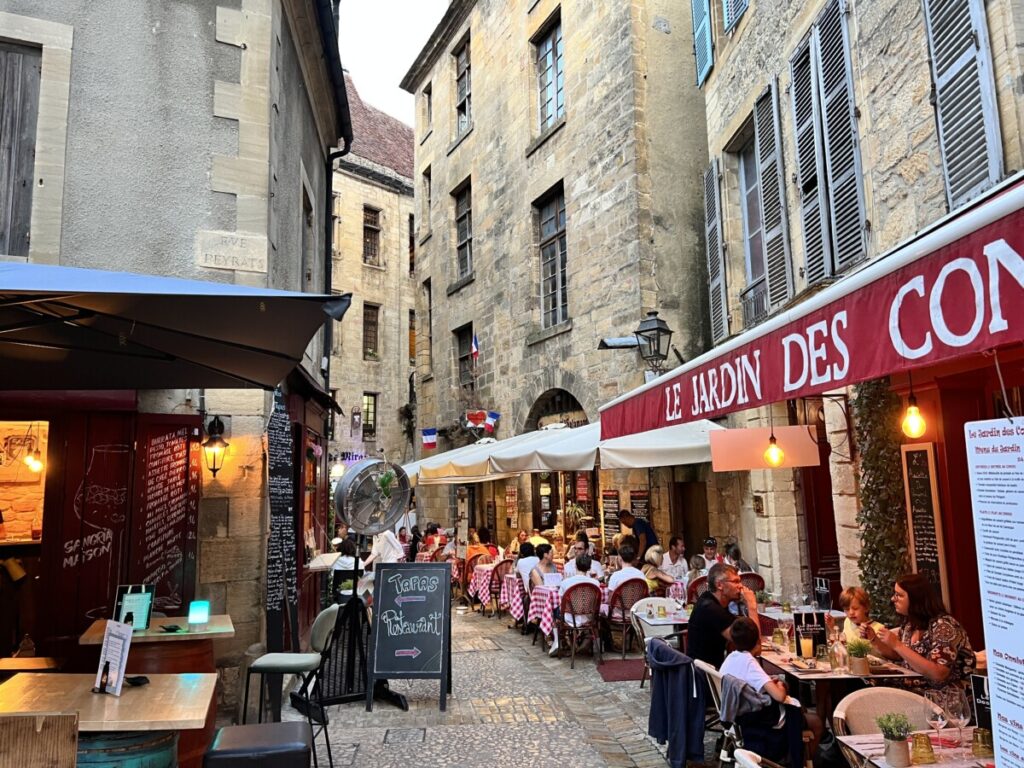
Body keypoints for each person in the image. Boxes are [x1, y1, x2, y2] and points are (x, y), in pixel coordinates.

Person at [720, 617, 823, 761]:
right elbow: (779, 696)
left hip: (740, 718)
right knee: (816, 722)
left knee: (804, 712)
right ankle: (799, 761)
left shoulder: (730, 658)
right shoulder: (750, 663)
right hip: (760, 720)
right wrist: (780, 685)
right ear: (758, 642)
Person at [862, 573, 976, 692]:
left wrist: (897, 644)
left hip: (942, 698)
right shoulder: (910, 623)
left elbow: (938, 673)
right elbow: (901, 656)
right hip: (910, 692)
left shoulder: (944, 627)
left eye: (899, 595)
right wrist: (874, 639)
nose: (893, 599)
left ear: (916, 599)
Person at [687, 562, 759, 668]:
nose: (741, 586)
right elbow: (753, 647)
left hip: (707, 670)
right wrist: (752, 607)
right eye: (735, 581)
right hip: (705, 677)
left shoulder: (709, 599)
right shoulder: (710, 608)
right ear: (719, 585)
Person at [550, 553, 601, 658]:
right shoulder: (595, 583)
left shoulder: (566, 583)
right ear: (589, 567)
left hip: (569, 617)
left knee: (554, 611)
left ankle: (557, 641)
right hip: (588, 618)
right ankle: (588, 643)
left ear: (575, 566)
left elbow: (561, 602)